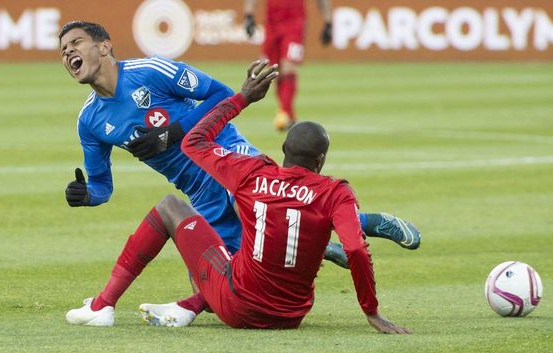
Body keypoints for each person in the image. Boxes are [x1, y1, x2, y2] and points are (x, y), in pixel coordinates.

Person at [60, 21, 419, 325]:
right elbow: (102, 186)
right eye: (62, 50)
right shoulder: (89, 122)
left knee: (279, 208)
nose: (68, 53)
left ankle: (368, 221)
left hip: (229, 157)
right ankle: (320, 245)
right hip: (198, 191)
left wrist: (174, 132)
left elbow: (220, 94)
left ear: (104, 46)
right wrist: (87, 196)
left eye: (75, 43)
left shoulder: (152, 71)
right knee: (221, 276)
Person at [138, 61, 411, 333]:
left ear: (284, 148)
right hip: (292, 317)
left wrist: (242, 98)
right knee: (269, 229)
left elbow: (193, 141)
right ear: (321, 159)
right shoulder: (335, 191)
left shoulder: (253, 173)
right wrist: (371, 311)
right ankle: (343, 231)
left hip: (238, 307)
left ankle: (108, 303)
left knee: (172, 211)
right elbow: (355, 249)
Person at [244, 0, 333, 131]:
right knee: (275, 69)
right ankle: (288, 116)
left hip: (294, 23)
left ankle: (284, 112)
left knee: (288, 66)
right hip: (271, 24)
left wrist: (328, 22)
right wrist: (249, 16)